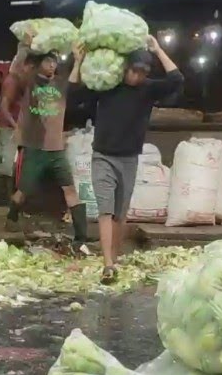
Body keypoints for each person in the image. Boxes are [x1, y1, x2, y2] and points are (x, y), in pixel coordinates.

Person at [71, 35, 183, 283]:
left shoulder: (148, 89)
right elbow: (73, 96)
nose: (137, 76)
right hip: (103, 156)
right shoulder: (107, 86)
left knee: (120, 214)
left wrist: (158, 49)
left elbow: (177, 80)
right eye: (133, 71)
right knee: (105, 210)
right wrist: (78, 63)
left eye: (143, 72)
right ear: (124, 68)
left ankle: (114, 256)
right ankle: (108, 265)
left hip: (129, 159)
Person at [0, 36, 89, 245]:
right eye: (48, 61)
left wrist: (78, 59)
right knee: (23, 191)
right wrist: (27, 46)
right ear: (38, 65)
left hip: (56, 150)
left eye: (54, 62)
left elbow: (75, 81)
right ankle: (11, 217)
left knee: (70, 190)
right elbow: (19, 69)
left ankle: (82, 236)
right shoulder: (31, 82)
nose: (52, 65)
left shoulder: (61, 84)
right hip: (35, 149)